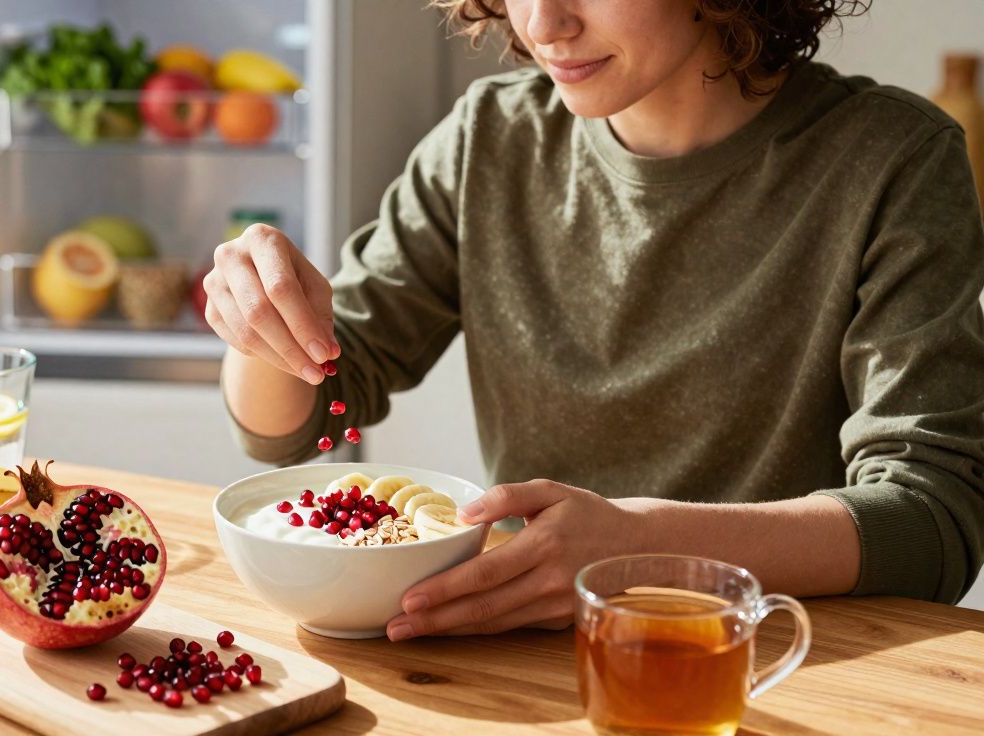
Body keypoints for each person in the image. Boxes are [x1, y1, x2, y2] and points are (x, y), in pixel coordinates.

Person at [205, 0, 984, 640]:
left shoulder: (892, 158)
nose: (543, 23)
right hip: (528, 667)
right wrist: (265, 321)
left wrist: (646, 549)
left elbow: (930, 522)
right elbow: (319, 411)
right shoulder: (490, 140)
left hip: (776, 668)